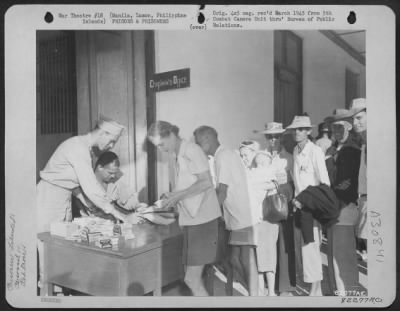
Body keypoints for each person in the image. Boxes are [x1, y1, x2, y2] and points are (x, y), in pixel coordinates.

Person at [37, 118, 138, 291]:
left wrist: (89, 205)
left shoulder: (86, 150)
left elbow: (74, 184)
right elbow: (90, 187)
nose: (112, 145)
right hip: (48, 200)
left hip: (63, 199)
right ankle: (47, 296)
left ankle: (61, 292)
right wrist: (119, 214)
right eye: (111, 140)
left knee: (62, 250)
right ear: (102, 133)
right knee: (49, 254)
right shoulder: (77, 147)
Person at [147, 121, 221, 296]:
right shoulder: (178, 155)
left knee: (191, 279)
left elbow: (205, 182)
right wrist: (172, 196)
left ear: (171, 135)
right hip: (192, 221)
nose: (160, 149)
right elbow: (189, 187)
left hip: (203, 222)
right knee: (189, 278)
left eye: (161, 144)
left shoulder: (191, 151)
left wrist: (177, 196)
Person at [193, 126, 260, 296]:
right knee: (234, 259)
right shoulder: (222, 156)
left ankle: (255, 297)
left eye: (198, 144)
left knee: (245, 259)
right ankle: (254, 293)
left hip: (243, 217)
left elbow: (222, 191)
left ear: (206, 141)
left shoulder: (223, 156)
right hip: (236, 217)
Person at [287, 115, 331, 296]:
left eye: (301, 129)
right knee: (304, 249)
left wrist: (308, 202)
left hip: (311, 208)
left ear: (309, 132)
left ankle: (316, 290)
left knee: (311, 248)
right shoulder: (296, 151)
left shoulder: (315, 151)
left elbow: (324, 183)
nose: (297, 132)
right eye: (295, 129)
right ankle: (315, 287)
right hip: (299, 208)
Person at [255, 122, 298, 296]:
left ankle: (285, 287)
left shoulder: (288, 158)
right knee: (266, 246)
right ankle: (266, 285)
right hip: (264, 207)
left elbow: (293, 184)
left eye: (276, 136)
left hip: (282, 205)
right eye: (269, 137)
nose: (273, 140)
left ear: (281, 137)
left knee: (284, 245)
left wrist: (283, 189)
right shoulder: (260, 157)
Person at [324, 109, 362, 295]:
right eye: (333, 128)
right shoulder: (331, 150)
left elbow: (347, 181)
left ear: (348, 127)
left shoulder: (352, 150)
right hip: (333, 206)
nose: (336, 131)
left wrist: (335, 194)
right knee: (334, 252)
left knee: (344, 252)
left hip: (344, 206)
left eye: (340, 127)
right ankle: (339, 290)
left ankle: (351, 289)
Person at [72, 151, 147, 222]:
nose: (113, 176)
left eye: (115, 173)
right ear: (100, 167)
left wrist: (139, 205)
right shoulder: (85, 183)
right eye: (110, 173)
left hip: (115, 224)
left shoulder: (115, 182)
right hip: (93, 226)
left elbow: (129, 199)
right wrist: (126, 218)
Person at [341, 98, 368, 261]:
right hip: (364, 200)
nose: (355, 122)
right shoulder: (365, 143)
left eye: (359, 117)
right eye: (353, 119)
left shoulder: (377, 140)